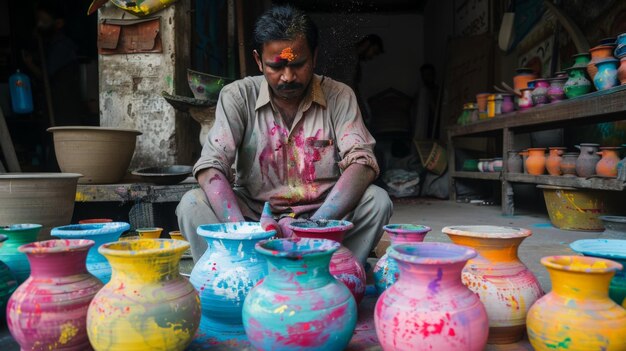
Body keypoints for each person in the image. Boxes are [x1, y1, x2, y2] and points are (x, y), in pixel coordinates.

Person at [176, 5, 393, 264]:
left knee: (377, 201)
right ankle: (234, 271)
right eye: (276, 66)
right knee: (191, 204)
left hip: (322, 216)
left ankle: (336, 272)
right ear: (258, 61)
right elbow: (211, 166)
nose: (288, 77)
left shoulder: (339, 95)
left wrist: (312, 227)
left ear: (314, 56)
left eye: (298, 64)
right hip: (253, 216)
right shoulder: (237, 96)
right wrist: (246, 232)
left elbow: (362, 163)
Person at [412, 63, 439, 140]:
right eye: (424, 75)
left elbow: (437, 111)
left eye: (429, 74)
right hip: (423, 127)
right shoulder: (421, 93)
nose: (427, 77)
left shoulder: (438, 91)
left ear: (433, 75)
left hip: (435, 125)